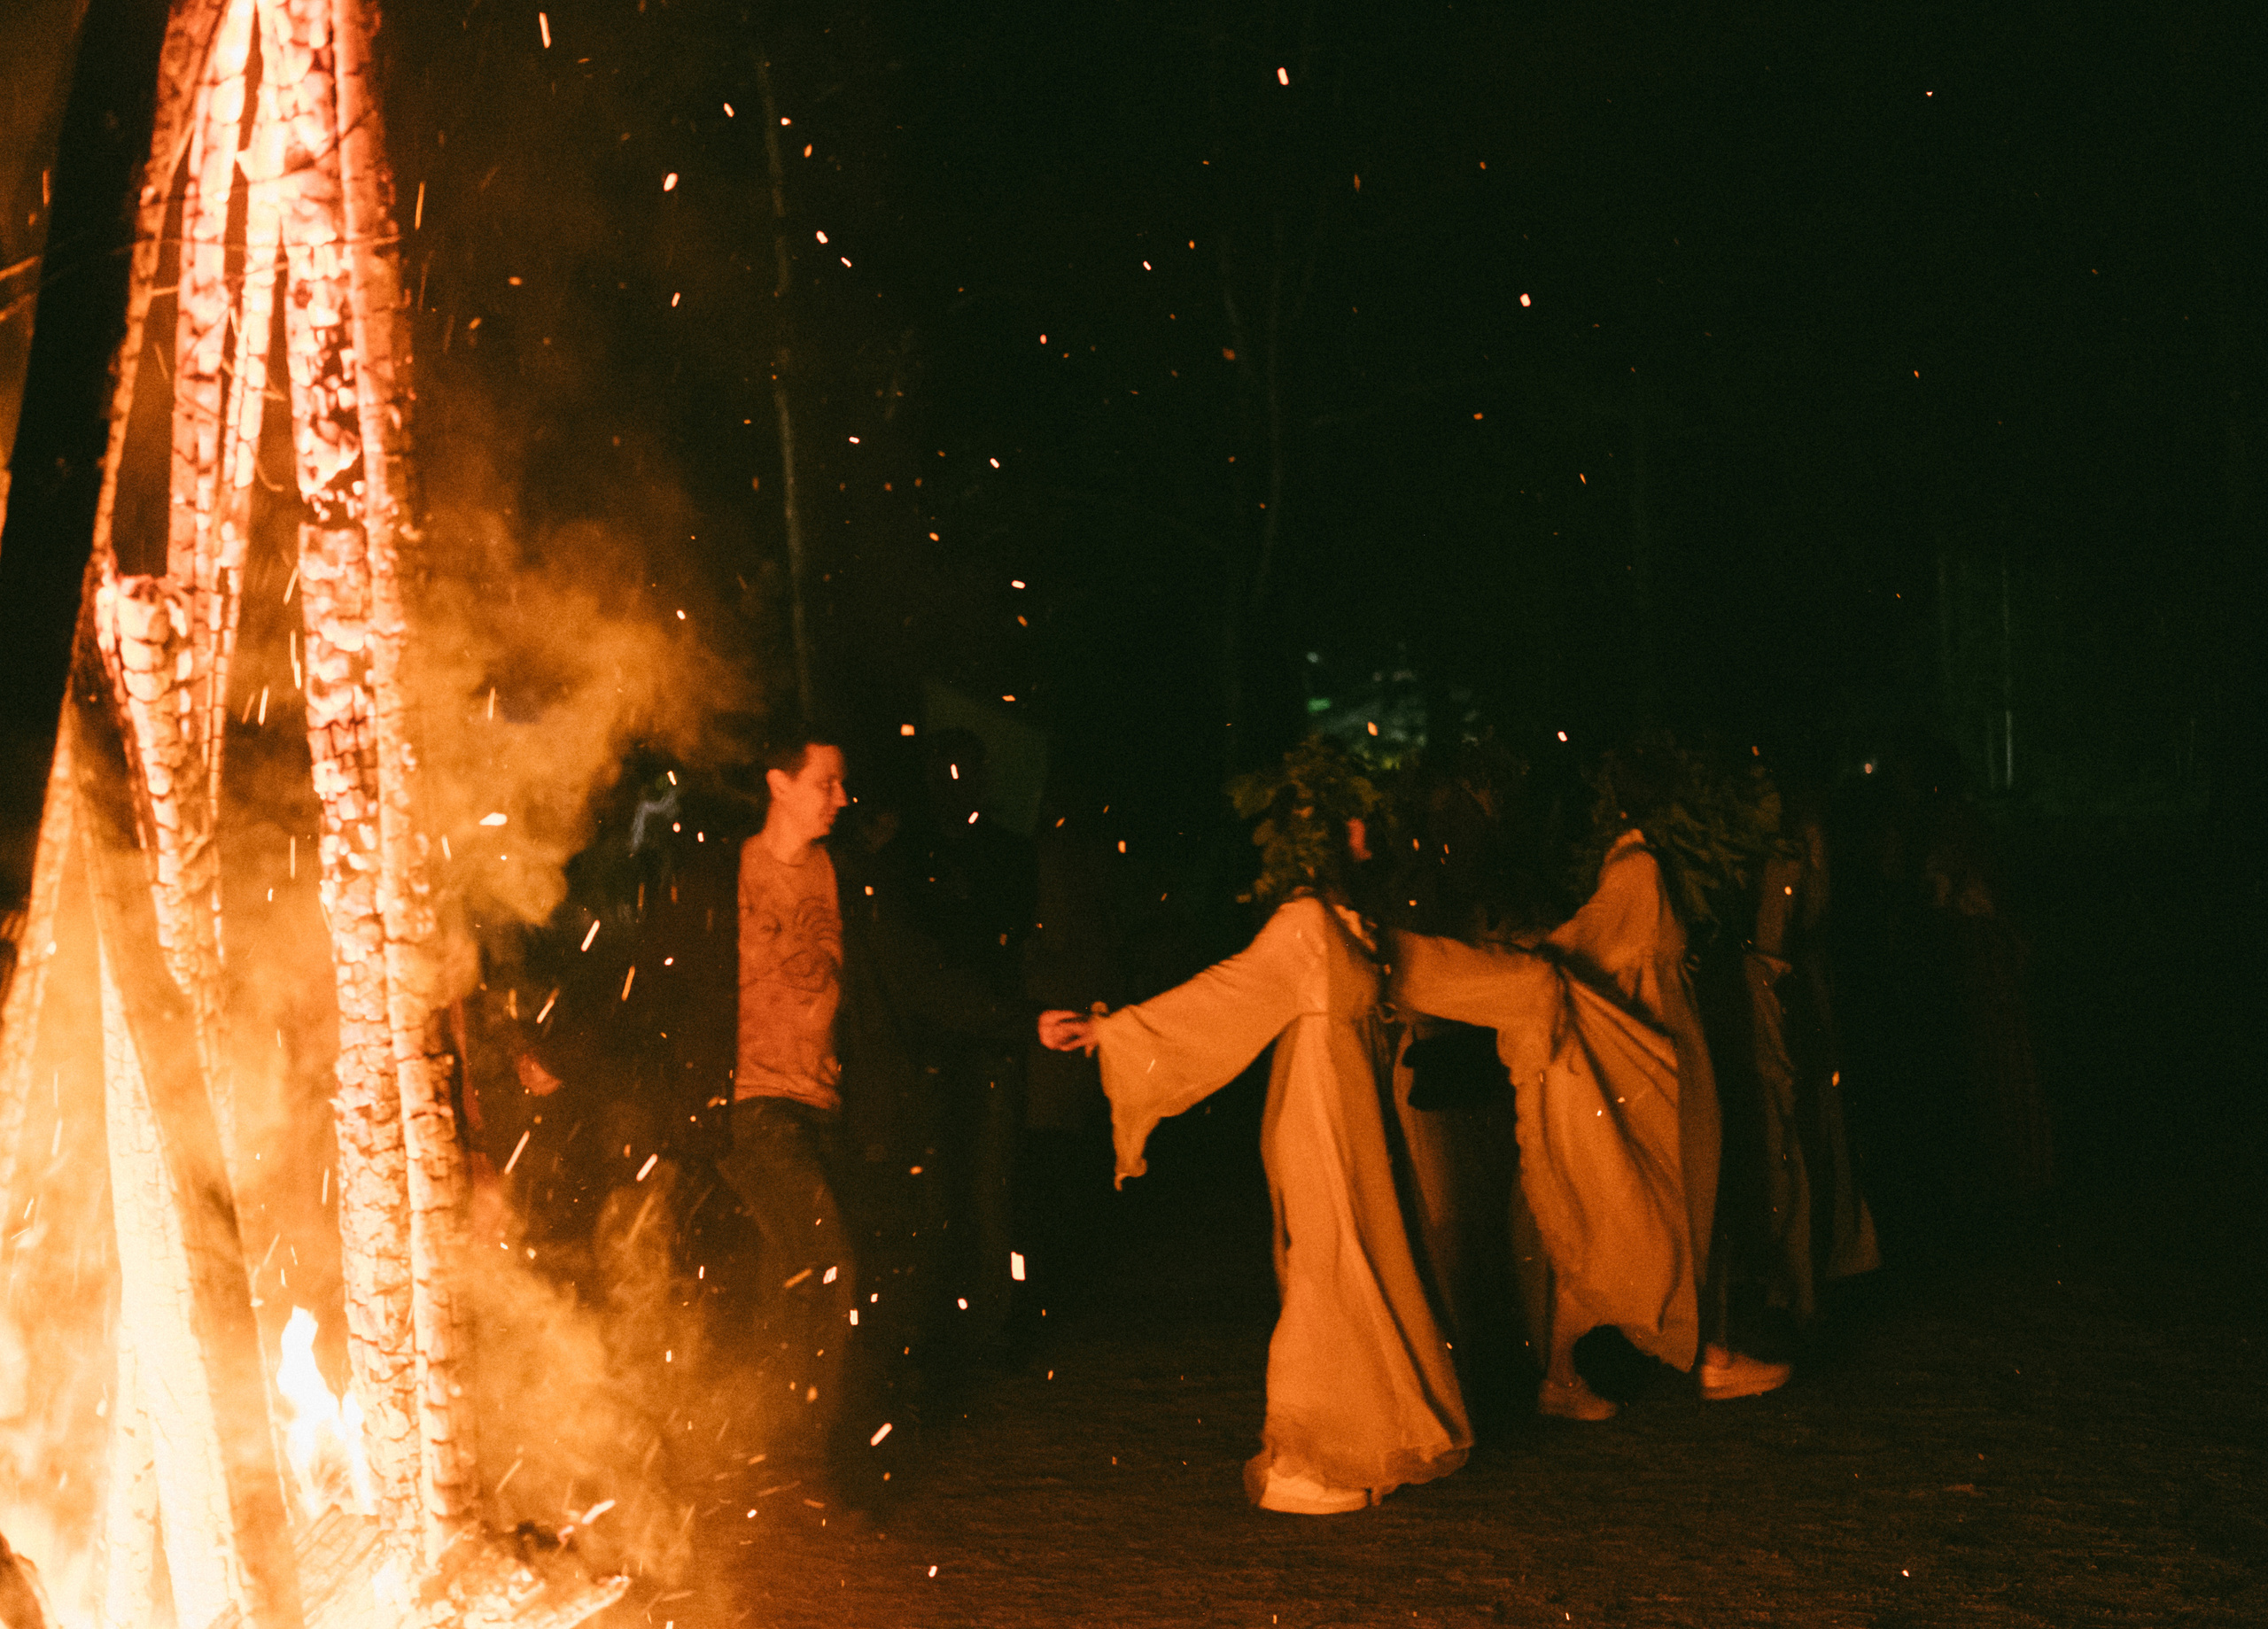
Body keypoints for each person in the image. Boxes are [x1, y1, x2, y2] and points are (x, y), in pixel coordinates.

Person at [1040, 775, 1470, 1516]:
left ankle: (1370, 1434)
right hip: (1317, 1110)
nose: (1369, 827)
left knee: (1368, 1258)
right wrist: (1112, 1031)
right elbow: (1225, 992)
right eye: (1354, 817)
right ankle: (1303, 1454)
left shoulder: (1350, 921)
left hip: (1359, 1110)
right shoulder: (1304, 922)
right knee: (1328, 1266)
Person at [715, 729, 856, 1470]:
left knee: (789, 1282)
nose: (840, 798)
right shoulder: (729, 873)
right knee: (830, 1265)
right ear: (779, 783)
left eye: (841, 784)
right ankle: (812, 1461)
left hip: (823, 1103)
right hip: (754, 1100)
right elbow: (662, 965)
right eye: (825, 782)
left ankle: (758, 1446)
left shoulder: (845, 873)